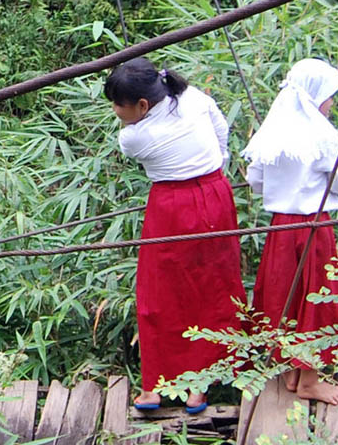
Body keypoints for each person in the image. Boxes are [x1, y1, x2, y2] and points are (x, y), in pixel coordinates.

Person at [105, 57, 246, 414]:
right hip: (215, 195)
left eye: (117, 104)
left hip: (171, 205)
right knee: (213, 287)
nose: (114, 110)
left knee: (159, 292)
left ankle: (156, 386)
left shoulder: (133, 137)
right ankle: (200, 386)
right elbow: (220, 128)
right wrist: (216, 164)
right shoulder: (193, 97)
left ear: (141, 105)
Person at [242, 58, 338, 406]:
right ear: (316, 95)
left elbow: (256, 182)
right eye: (330, 95)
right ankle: (310, 379)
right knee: (317, 296)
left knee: (283, 294)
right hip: (314, 226)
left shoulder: (271, 132)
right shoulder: (325, 135)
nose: (331, 103)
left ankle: (291, 368)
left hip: (280, 226)